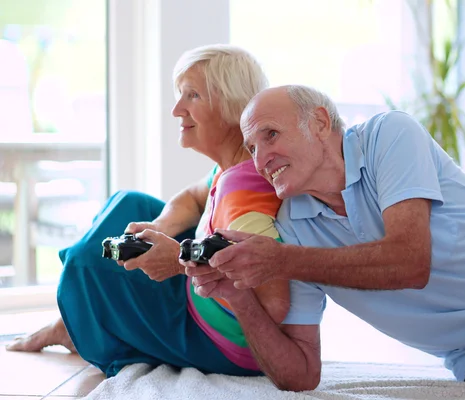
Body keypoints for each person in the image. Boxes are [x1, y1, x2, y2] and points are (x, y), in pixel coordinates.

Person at [190, 84, 465, 399]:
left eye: (271, 135)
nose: (261, 160)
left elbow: (408, 262)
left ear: (318, 122)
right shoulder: (292, 230)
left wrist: (280, 261)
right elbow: (300, 374)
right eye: (252, 148)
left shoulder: (387, 136)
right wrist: (241, 297)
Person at [6, 44, 289, 379]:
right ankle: (79, 314)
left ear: (232, 107)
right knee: (131, 203)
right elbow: (193, 197)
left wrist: (181, 261)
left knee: (85, 266)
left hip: (221, 342)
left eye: (192, 95)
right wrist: (161, 229)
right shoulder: (233, 167)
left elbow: (273, 305)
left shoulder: (244, 203)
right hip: (201, 296)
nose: (176, 109)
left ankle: (72, 323)